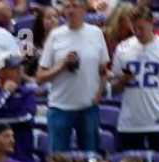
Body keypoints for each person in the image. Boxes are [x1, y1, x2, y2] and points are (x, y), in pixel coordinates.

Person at [36, 0, 110, 153]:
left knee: (91, 158)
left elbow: (104, 69)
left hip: (88, 107)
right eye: (67, 7)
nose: (71, 11)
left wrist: (99, 92)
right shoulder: (55, 36)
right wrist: (62, 65)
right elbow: (40, 76)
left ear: (84, 10)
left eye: (75, 6)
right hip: (60, 107)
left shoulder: (96, 33)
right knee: (57, 159)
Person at [112, 5, 159, 152]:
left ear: (152, 23)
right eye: (134, 28)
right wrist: (124, 79)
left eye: (141, 28)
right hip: (130, 122)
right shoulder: (123, 49)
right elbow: (114, 88)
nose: (137, 32)